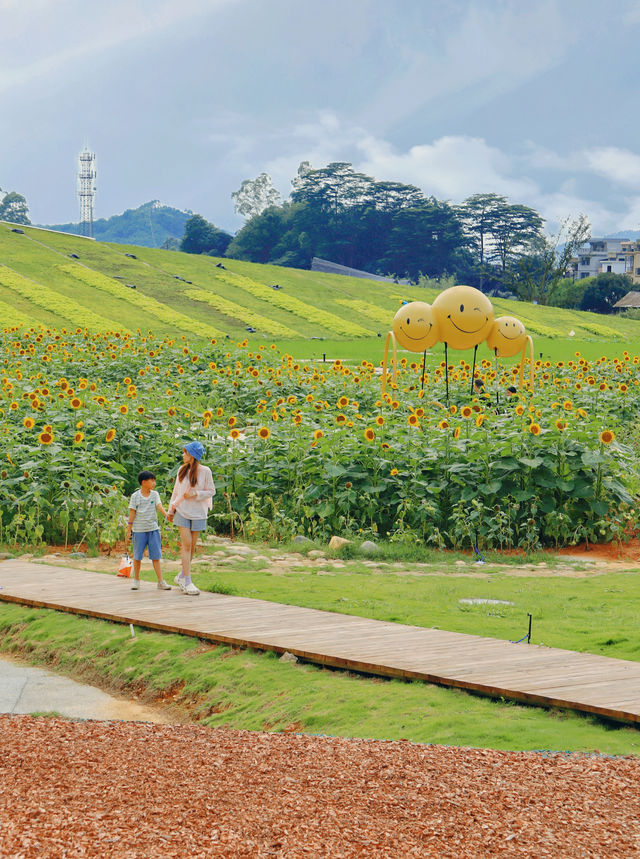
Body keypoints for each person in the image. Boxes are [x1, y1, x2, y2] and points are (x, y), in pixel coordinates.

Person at [168, 441, 215, 596]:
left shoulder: (205, 471)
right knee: (186, 545)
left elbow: (211, 491)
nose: (183, 455)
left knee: (192, 547)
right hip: (182, 511)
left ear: (193, 456)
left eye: (185, 452)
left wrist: (196, 494)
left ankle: (182, 575)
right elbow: (176, 492)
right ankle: (187, 581)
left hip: (199, 513)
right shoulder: (181, 470)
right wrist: (170, 510)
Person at [126, 470, 171, 591]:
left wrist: (167, 515)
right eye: (152, 480)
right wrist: (129, 530)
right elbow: (132, 513)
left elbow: (159, 506)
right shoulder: (135, 496)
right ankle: (136, 580)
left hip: (153, 529)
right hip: (139, 530)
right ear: (144, 482)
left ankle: (160, 582)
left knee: (156, 556)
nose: (154, 483)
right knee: (137, 556)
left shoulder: (155, 494)